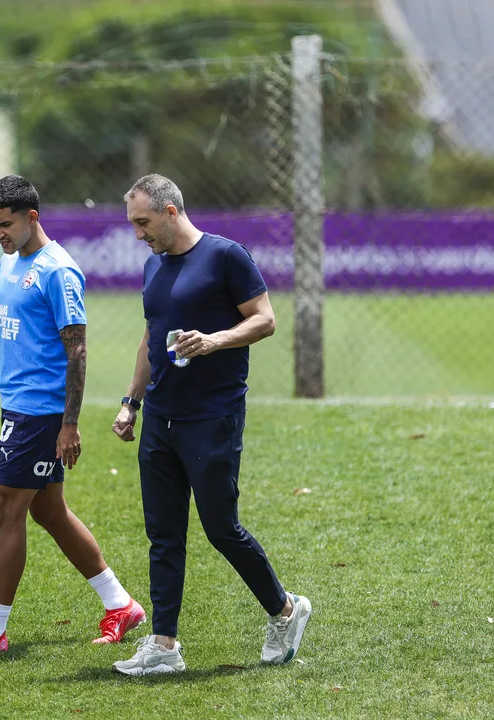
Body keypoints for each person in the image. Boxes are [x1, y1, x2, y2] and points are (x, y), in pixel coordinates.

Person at [0, 174, 145, 655]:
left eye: (5, 224)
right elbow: (1, 330)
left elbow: (78, 350)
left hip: (40, 415)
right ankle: (121, 604)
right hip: (20, 409)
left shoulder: (57, 271)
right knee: (47, 509)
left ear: (31, 217)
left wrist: (69, 423)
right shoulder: (10, 263)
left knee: (7, 509)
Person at [110, 174, 312, 676]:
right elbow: (150, 339)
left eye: (144, 222)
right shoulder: (153, 266)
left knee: (221, 528)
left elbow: (264, 319)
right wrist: (130, 401)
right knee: (164, 534)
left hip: (212, 417)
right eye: (133, 223)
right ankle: (164, 645)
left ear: (171, 211)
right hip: (160, 418)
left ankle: (286, 610)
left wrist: (215, 340)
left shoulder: (226, 256)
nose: (138, 233)